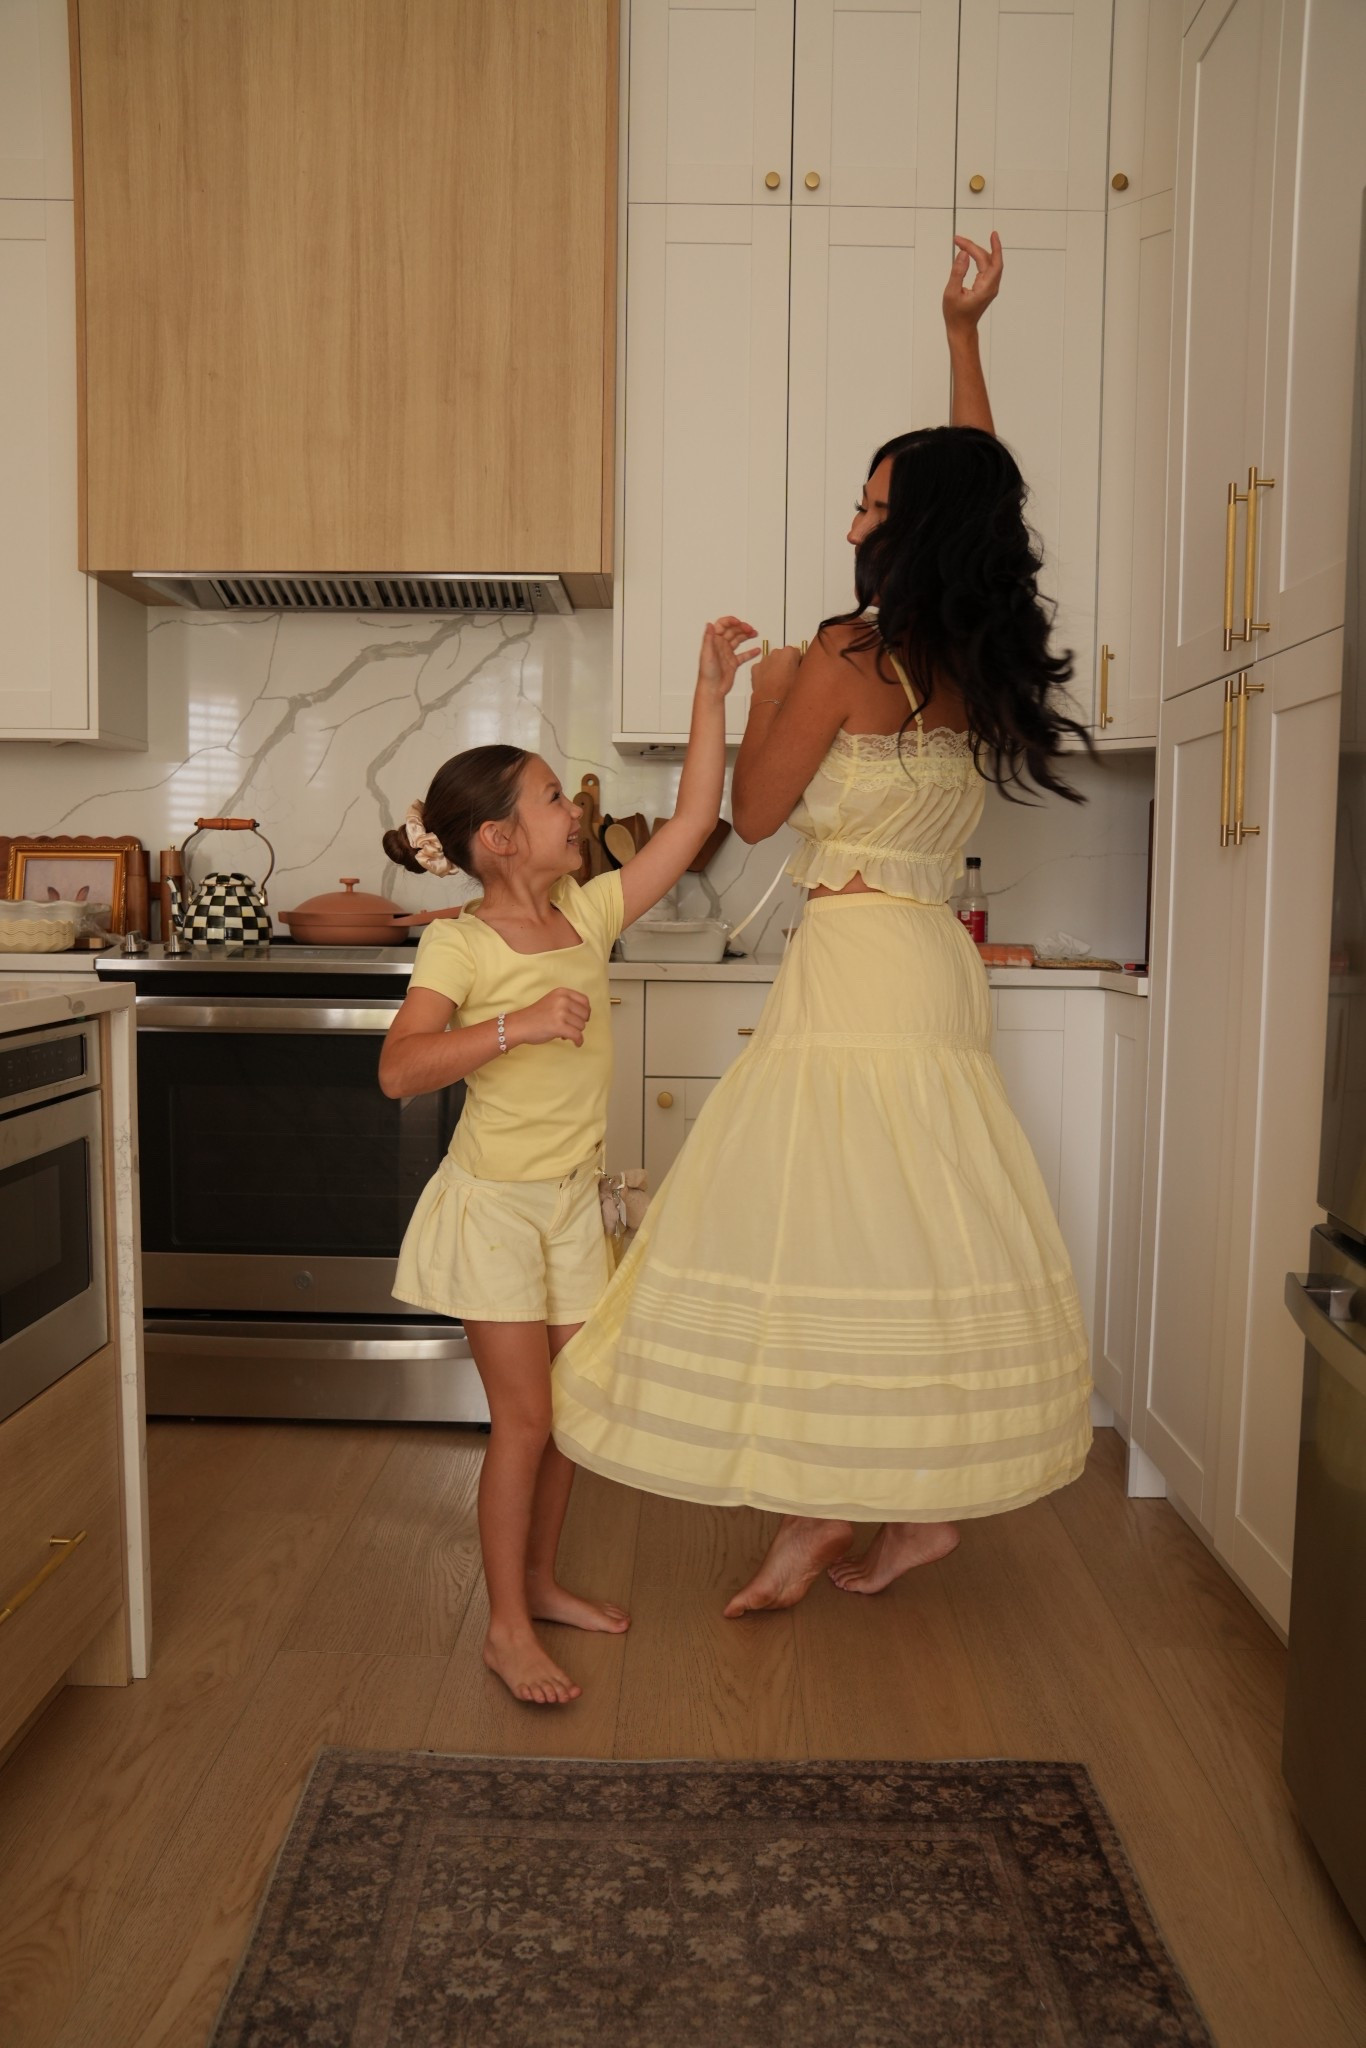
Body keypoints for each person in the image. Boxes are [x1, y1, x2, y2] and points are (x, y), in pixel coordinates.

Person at [552, 232, 1099, 1615]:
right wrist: (960, 336)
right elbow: (974, 483)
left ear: (905, 533)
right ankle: (891, 1512)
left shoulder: (844, 662)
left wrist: (758, 687)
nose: (852, 522)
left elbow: (745, 819)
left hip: (854, 965)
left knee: (828, 1236)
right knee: (905, 1238)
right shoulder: (977, 652)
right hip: (930, 969)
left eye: (868, 508)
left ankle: (820, 1516)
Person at [379, 617, 758, 1703]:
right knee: (529, 1417)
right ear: (498, 838)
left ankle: (538, 1582)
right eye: (551, 797)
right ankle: (503, 1625)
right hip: (493, 1208)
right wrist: (515, 1028)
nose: (574, 808)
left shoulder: (588, 915)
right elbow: (401, 1071)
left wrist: (707, 691)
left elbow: (691, 820)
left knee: (573, 1411)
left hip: (571, 1208)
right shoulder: (459, 941)